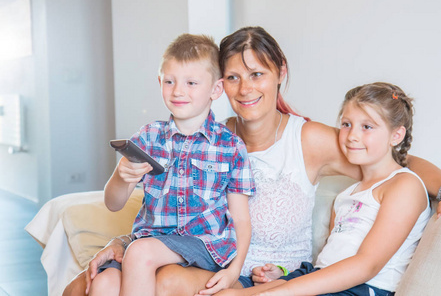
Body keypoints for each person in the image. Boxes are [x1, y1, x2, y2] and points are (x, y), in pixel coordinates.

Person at [63, 26, 441, 296]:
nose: (245, 89)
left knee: (166, 283)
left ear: (281, 75)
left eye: (257, 74)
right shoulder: (215, 135)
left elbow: (398, 164)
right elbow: (170, 204)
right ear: (218, 85)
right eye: (233, 77)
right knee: (85, 285)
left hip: (263, 275)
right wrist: (124, 240)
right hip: (200, 255)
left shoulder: (308, 139)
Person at [217, 82, 431, 296]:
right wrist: (280, 276)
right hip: (322, 277)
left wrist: (278, 292)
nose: (352, 135)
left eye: (367, 127)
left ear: (396, 135)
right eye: (347, 124)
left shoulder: (404, 185)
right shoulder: (347, 194)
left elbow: (367, 266)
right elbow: (329, 260)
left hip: (363, 288)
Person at [86, 33, 255, 296]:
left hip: (203, 245)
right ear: (159, 81)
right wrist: (122, 177)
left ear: (216, 89)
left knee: (140, 253)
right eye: (169, 81)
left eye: (191, 83)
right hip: (150, 241)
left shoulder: (230, 146)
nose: (178, 91)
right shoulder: (148, 138)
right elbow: (113, 203)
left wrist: (234, 270)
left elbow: (241, 219)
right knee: (104, 284)